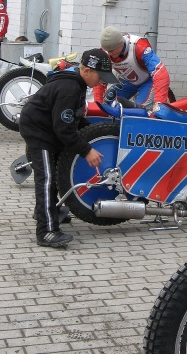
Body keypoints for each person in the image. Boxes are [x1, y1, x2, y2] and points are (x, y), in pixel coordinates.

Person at [19, 48, 118, 249]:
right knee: (46, 178)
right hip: (39, 131)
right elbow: (63, 128)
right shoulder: (69, 88)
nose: (102, 82)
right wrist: (86, 150)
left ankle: (47, 211)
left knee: (55, 173)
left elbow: (73, 117)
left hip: (50, 128)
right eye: (101, 77)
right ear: (87, 71)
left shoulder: (78, 83)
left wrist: (91, 132)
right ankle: (46, 231)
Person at [94, 26, 170, 110]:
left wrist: (159, 104)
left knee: (138, 111)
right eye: (107, 51)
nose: (109, 54)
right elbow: (100, 77)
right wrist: (98, 105)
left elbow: (160, 73)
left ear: (121, 44)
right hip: (128, 80)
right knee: (107, 103)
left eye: (111, 50)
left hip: (148, 81)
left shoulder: (139, 46)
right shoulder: (104, 52)